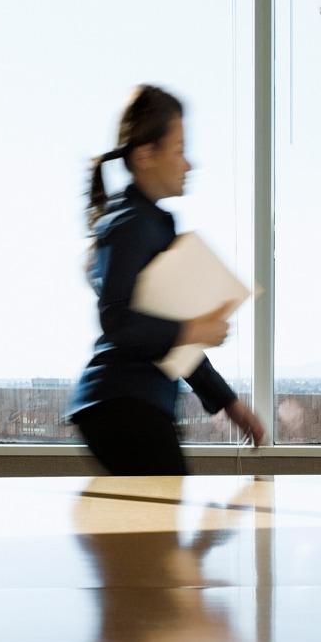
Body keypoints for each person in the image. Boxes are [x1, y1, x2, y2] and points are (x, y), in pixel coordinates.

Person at [68, 85, 267, 474]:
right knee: (163, 523)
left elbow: (169, 339)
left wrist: (229, 403)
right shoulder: (133, 224)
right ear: (145, 155)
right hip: (124, 403)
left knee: (152, 526)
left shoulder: (151, 224)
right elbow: (118, 320)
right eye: (179, 150)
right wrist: (193, 328)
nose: (188, 164)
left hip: (124, 403)